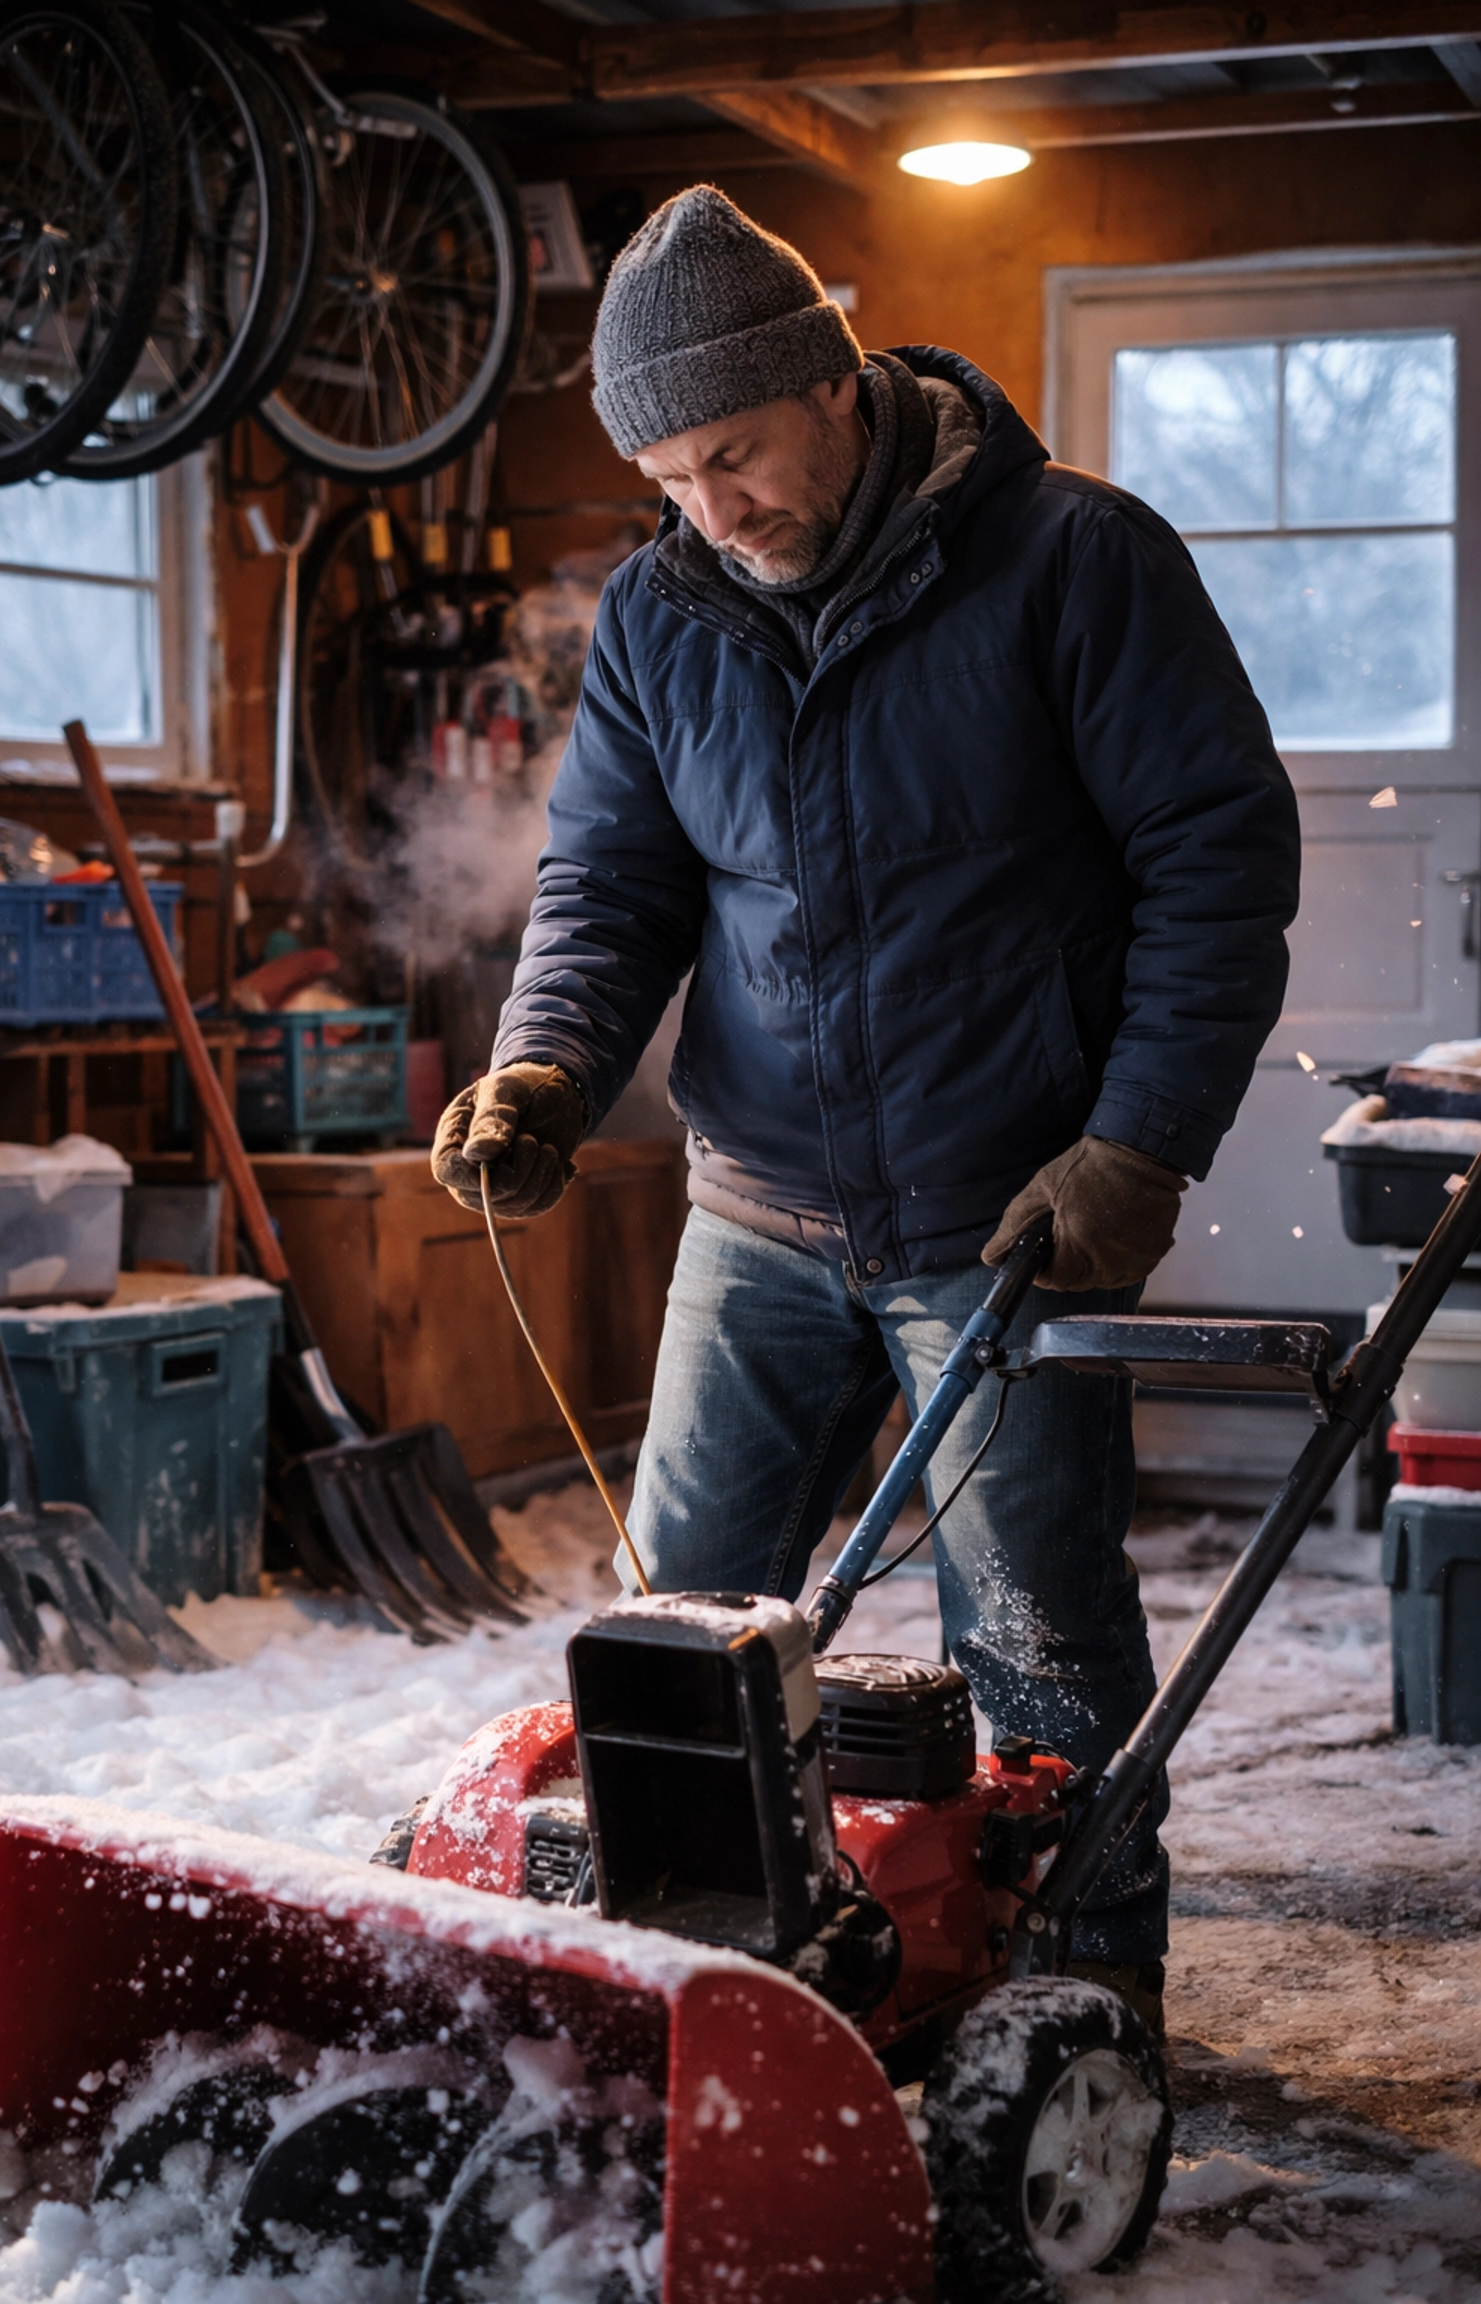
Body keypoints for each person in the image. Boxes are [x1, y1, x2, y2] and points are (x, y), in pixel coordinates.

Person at [433, 186, 1300, 2026]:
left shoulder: (1076, 562)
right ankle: (693, 1990)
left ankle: (1081, 2024)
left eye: (735, 455)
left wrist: (1139, 1145)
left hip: (1005, 1210)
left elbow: (1216, 857)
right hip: (758, 1204)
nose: (712, 510)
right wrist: (545, 1069)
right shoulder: (667, 614)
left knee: (1039, 1663)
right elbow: (611, 887)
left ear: (834, 383)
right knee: (678, 1632)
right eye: (669, 477)